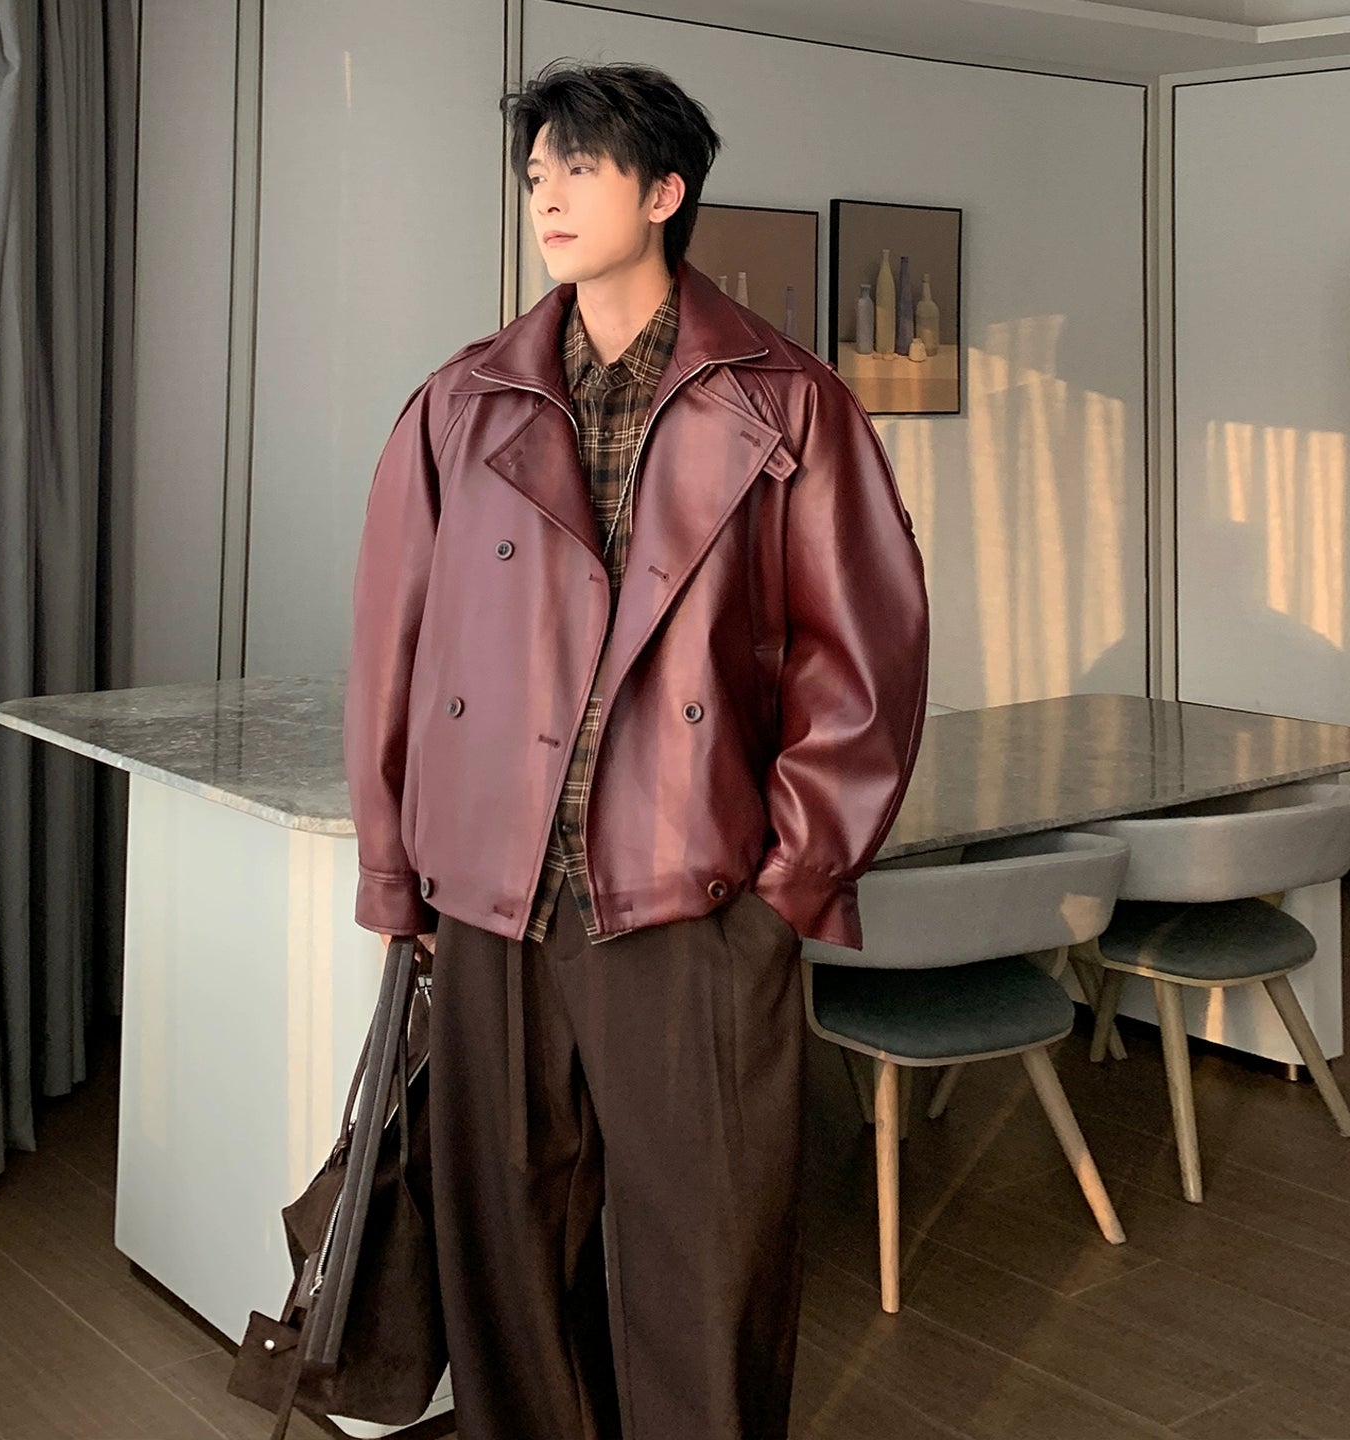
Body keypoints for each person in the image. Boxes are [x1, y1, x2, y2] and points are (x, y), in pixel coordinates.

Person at [343, 59, 929, 1440]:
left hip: (691, 897)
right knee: (506, 1263)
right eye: (536, 170)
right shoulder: (461, 402)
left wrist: (784, 888)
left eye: (582, 166)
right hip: (493, 901)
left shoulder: (787, 404)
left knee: (707, 1262)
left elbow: (866, 662)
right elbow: (394, 654)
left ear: (665, 193)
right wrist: (396, 874)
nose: (546, 194)